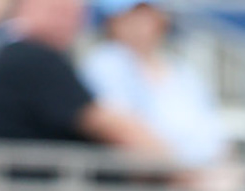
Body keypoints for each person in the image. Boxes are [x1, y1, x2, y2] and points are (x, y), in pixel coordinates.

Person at [0, 0, 166, 158]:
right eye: (58, 10)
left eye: (74, 12)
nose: (69, 20)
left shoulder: (39, 56)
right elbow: (109, 125)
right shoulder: (31, 57)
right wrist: (178, 170)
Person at [81, 0, 229, 172]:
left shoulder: (182, 70)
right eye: (131, 17)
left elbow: (213, 129)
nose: (139, 25)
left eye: (146, 16)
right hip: (151, 181)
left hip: (203, 176)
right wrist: (182, 173)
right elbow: (121, 131)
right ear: (113, 22)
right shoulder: (104, 63)